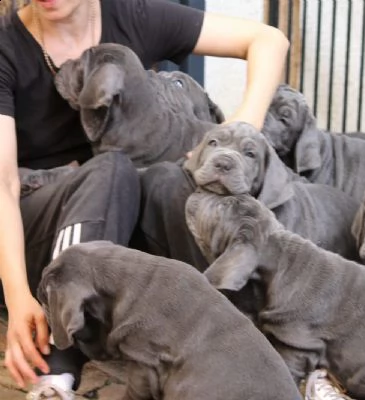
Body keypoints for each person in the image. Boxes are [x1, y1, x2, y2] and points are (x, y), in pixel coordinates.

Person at [0, 0, 293, 398]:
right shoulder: (6, 47)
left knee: (169, 181)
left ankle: (242, 339)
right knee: (114, 170)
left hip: (111, 219)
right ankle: (57, 363)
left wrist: (242, 126)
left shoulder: (131, 17)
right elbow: (3, 185)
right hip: (34, 223)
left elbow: (268, 39)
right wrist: (17, 297)